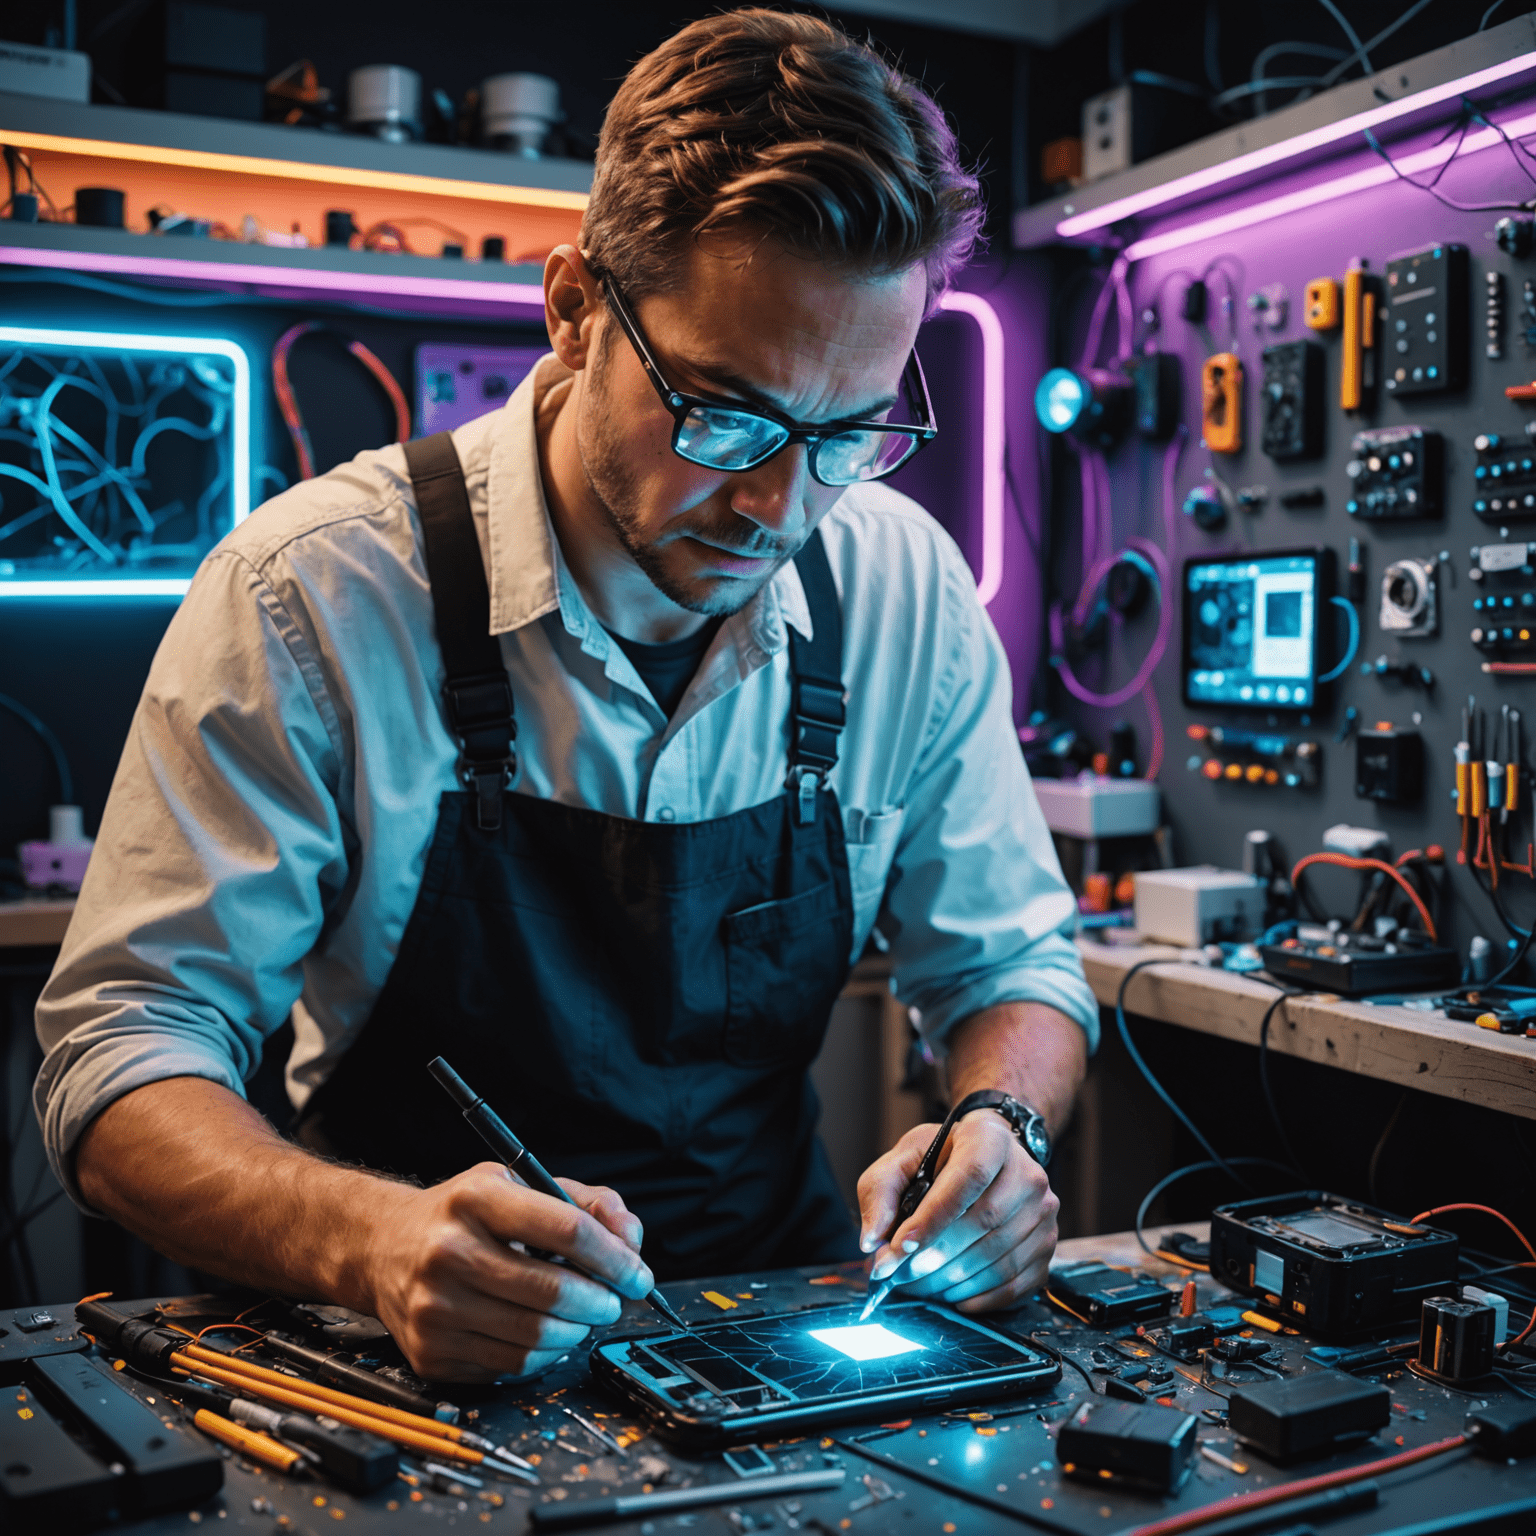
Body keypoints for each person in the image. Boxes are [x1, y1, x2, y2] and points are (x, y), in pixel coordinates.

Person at [34, 9, 1096, 1383]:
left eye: (850, 432)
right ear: (576, 307)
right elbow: (121, 1058)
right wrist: (376, 1240)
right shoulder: (315, 591)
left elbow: (1012, 965)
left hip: (783, 1332)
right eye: (726, 413)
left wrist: (1001, 1127)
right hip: (408, 1356)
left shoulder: (902, 589)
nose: (783, 503)